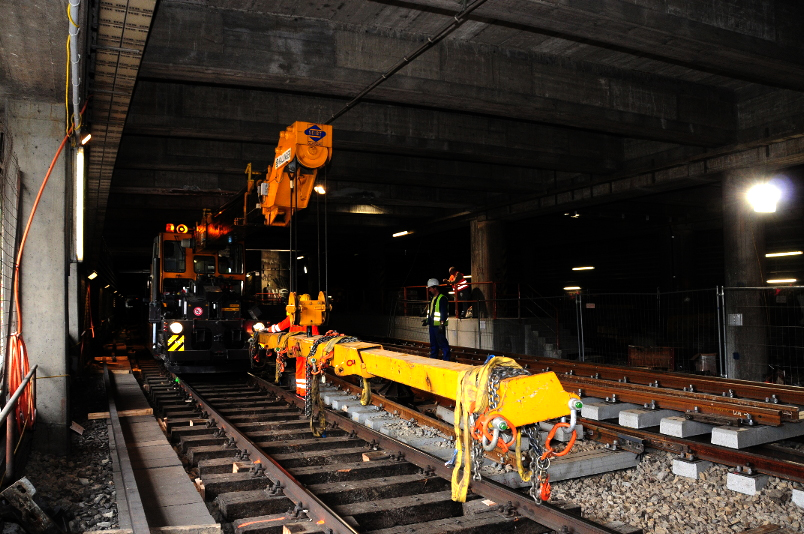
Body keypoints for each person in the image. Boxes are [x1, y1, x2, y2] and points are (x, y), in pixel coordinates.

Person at [423, 278, 450, 361]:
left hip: (438, 326)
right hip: (432, 325)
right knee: (433, 343)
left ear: (435, 288)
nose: (429, 290)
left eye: (430, 288)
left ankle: (446, 360)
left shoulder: (442, 298)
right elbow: (432, 312)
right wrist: (427, 320)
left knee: (442, 343)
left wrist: (442, 324)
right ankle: (433, 359)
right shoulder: (433, 298)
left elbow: (443, 312)